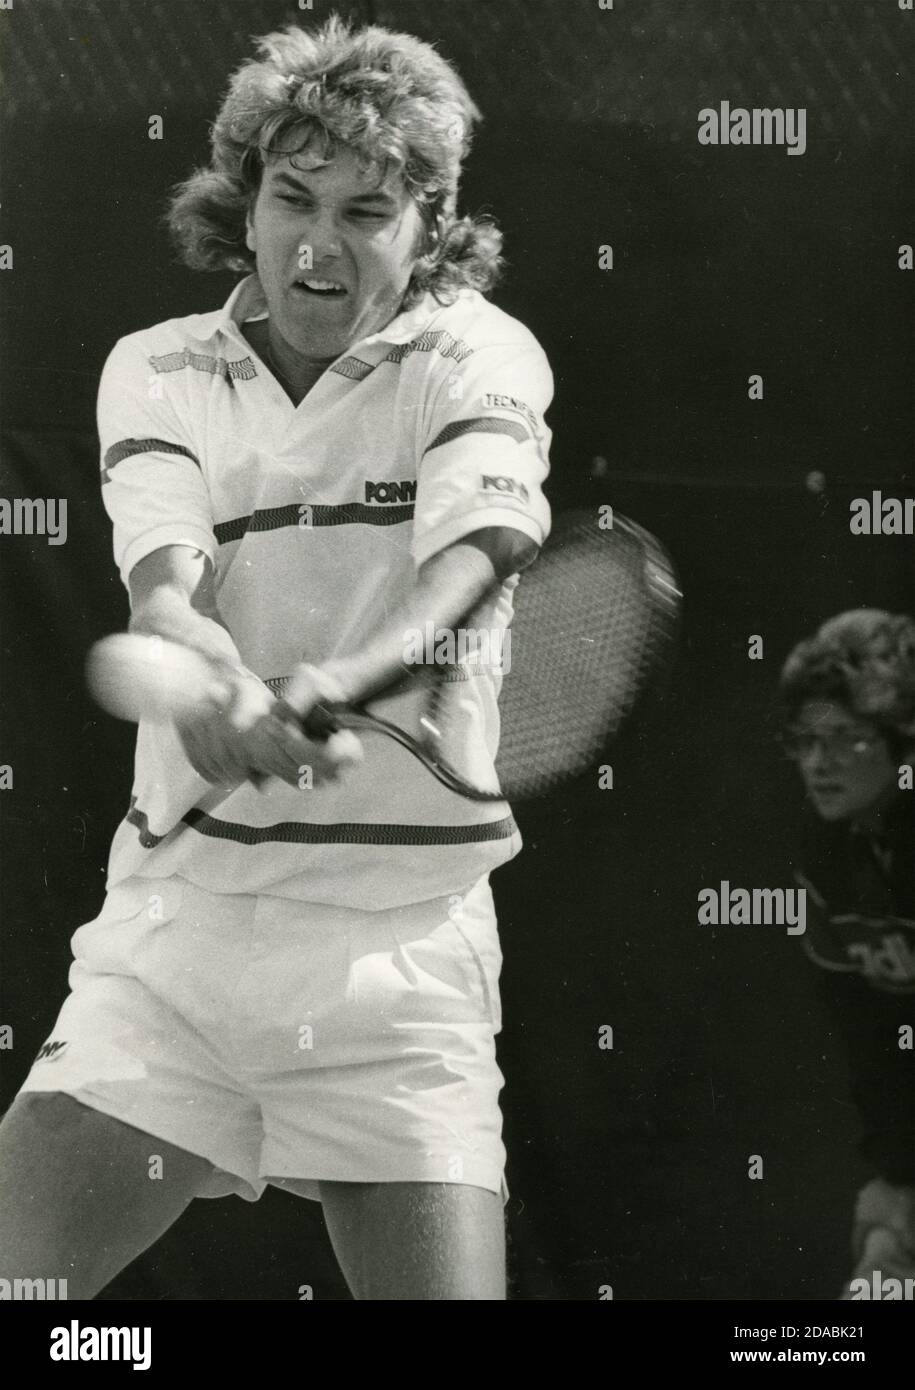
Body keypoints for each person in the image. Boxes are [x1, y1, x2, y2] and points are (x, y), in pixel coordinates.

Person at [0, 17, 553, 1300]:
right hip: (176, 942)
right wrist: (209, 684)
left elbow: (469, 561)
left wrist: (340, 680)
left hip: (398, 962)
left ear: (430, 228)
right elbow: (166, 591)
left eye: (367, 210)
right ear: (243, 206)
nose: (320, 242)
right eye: (293, 198)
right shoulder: (158, 369)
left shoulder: (478, 356)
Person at [779, 609, 914, 1299]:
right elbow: (870, 1038)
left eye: (842, 739)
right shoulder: (825, 848)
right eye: (805, 741)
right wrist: (897, 1179)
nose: (817, 763)